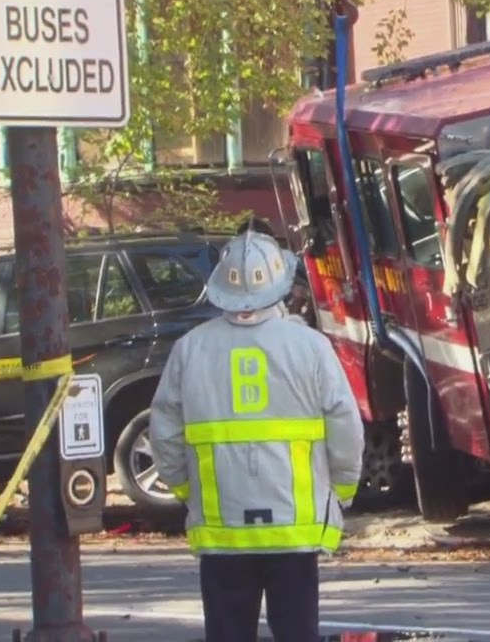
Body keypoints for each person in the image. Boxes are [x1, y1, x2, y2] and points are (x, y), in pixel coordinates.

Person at [149, 229, 364, 641]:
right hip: (294, 530)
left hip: (222, 528)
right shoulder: (311, 347)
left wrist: (183, 490)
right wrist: (343, 488)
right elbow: (345, 424)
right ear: (281, 285)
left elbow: (164, 434)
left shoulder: (190, 349)